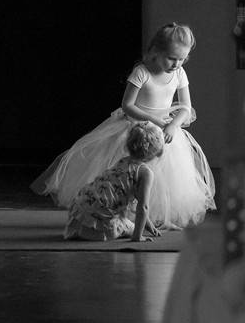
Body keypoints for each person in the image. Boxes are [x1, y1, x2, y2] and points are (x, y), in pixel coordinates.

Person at [32, 22, 216, 230]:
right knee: (128, 173)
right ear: (156, 51)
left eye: (182, 59)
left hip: (165, 131)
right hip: (135, 129)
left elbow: (185, 107)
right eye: (171, 58)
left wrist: (173, 125)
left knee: (164, 177)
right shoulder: (142, 72)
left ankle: (157, 216)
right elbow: (127, 105)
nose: (176, 64)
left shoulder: (179, 74)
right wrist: (154, 121)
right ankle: (123, 214)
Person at [64, 123, 164, 241]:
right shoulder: (145, 173)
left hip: (79, 215)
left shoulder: (123, 161)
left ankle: (82, 231)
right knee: (129, 226)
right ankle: (100, 232)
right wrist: (137, 236)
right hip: (96, 226)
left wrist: (149, 225)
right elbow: (143, 207)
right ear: (155, 151)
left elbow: (139, 203)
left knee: (125, 219)